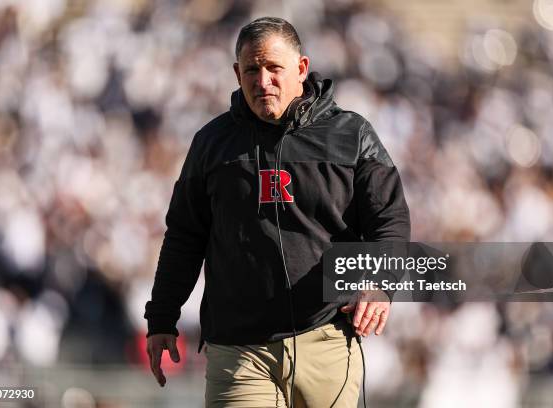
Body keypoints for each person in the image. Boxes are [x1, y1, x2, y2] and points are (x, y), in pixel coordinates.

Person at [145, 16, 410, 407]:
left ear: (301, 69)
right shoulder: (212, 144)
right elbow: (185, 234)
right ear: (237, 73)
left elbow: (390, 221)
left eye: (274, 68)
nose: (262, 80)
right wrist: (163, 316)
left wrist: (378, 281)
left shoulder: (351, 135)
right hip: (239, 350)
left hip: (328, 338)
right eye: (251, 69)